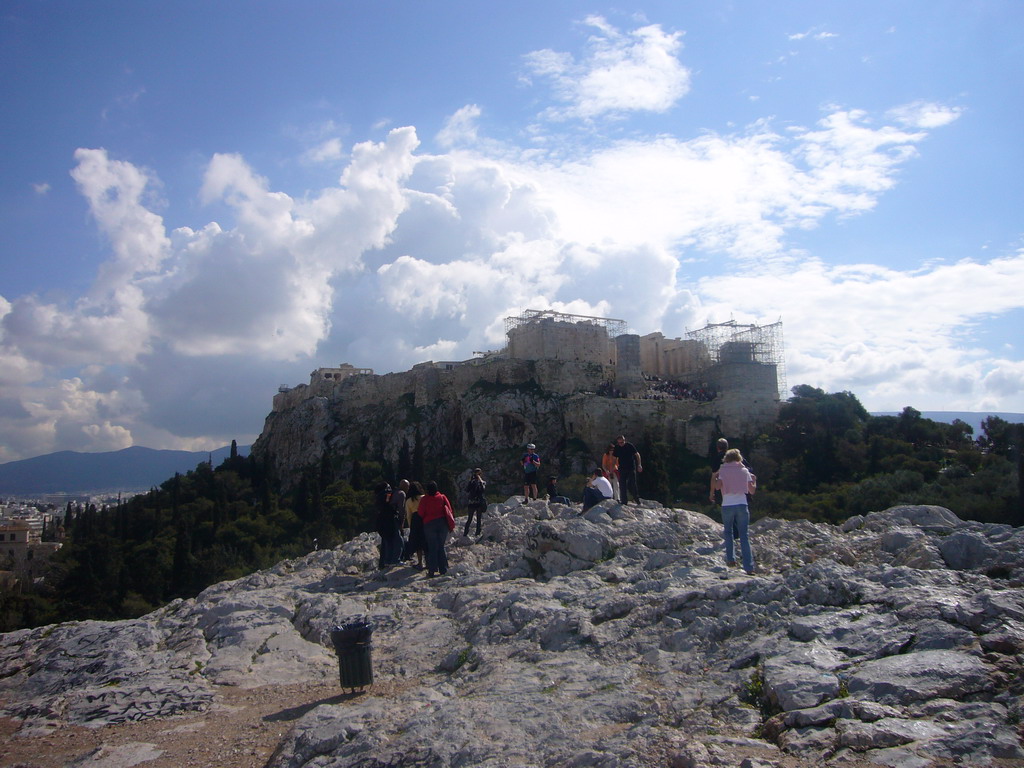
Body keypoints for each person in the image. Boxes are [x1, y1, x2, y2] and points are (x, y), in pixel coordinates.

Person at [712, 448, 757, 574]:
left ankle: (731, 559)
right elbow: (751, 490)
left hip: (727, 504)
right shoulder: (744, 471)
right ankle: (749, 567)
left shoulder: (723, 470)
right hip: (742, 504)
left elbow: (717, 487)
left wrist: (716, 479)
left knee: (728, 532)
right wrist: (754, 481)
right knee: (744, 536)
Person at [418, 481, 456, 577]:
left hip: (429, 524)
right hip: (442, 523)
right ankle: (444, 569)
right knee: (441, 546)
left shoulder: (424, 500)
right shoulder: (442, 497)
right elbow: (449, 509)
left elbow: (420, 513)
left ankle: (432, 570)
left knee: (432, 547)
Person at [374, 482, 403, 569]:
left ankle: (386, 561)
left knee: (387, 541)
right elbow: (389, 503)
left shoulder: (378, 498)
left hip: (381, 521)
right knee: (398, 540)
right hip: (390, 519)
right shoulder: (387, 495)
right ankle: (395, 560)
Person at [612, 435, 642, 504]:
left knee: (632, 484)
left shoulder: (629, 446)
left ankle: (636, 499)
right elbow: (614, 458)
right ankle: (624, 501)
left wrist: (639, 464)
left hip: (630, 467)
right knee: (622, 485)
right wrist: (613, 467)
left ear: (624, 440)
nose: (621, 444)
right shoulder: (617, 447)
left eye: (622, 442)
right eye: (619, 443)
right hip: (622, 468)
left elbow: (637, 455)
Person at [402, 481, 426, 568]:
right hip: (424, 519)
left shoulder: (408, 501)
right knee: (426, 541)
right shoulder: (424, 497)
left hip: (415, 521)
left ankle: (420, 563)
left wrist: (410, 525)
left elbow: (408, 515)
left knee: (418, 543)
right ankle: (429, 562)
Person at [464, 468, 487, 537]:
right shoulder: (480, 482)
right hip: (478, 502)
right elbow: (483, 490)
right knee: (478, 519)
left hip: (471, 503)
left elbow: (467, 490)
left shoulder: (472, 482)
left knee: (470, 518)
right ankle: (477, 533)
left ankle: (465, 533)